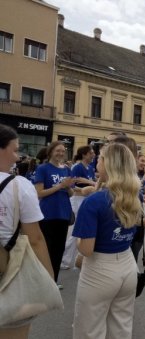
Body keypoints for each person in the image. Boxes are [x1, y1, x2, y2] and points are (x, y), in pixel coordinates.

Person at [71, 143, 145, 338]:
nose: (97, 162)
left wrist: (79, 245)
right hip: (128, 264)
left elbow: (86, 249)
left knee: (89, 330)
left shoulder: (94, 202)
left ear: (109, 164)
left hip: (99, 267)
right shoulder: (135, 194)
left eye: (101, 158)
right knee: (121, 327)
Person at [0, 124, 54, 338]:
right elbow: (35, 239)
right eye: (14, 150)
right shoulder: (20, 185)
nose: (17, 157)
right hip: (7, 269)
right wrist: (48, 275)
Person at [34, 141, 75, 284]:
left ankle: (53, 281)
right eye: (58, 151)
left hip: (63, 215)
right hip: (47, 215)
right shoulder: (43, 169)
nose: (61, 154)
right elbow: (39, 193)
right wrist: (60, 186)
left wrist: (68, 188)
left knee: (58, 251)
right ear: (50, 152)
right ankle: (43, 282)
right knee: (46, 251)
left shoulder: (67, 170)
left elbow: (71, 194)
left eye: (63, 151)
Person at [61, 146, 97, 270]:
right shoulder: (77, 167)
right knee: (75, 233)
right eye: (91, 153)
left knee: (83, 231)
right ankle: (65, 261)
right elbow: (71, 186)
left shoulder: (91, 168)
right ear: (84, 155)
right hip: (77, 200)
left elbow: (93, 183)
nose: (93, 155)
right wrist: (84, 189)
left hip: (87, 201)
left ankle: (78, 260)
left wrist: (91, 185)